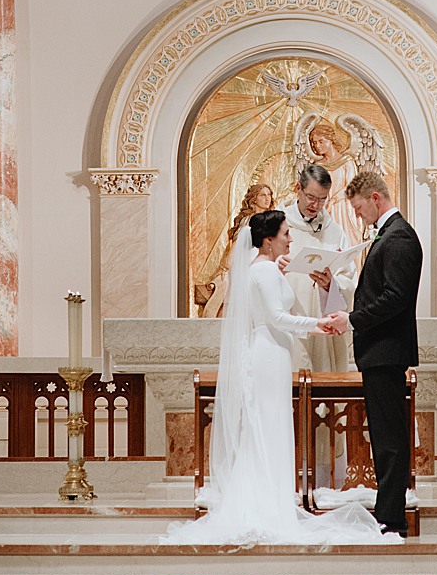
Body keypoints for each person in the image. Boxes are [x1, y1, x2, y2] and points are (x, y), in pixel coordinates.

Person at [164, 209, 391, 545]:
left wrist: (283, 277)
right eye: (286, 234)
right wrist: (318, 325)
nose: (291, 238)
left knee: (266, 427)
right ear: (268, 241)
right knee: (269, 427)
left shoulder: (260, 269)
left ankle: (265, 500)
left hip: (268, 353)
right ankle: (267, 507)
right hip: (269, 354)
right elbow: (277, 317)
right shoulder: (266, 270)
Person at [321, 170, 423, 538]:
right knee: (384, 437)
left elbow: (394, 299)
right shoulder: (390, 235)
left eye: (360, 207)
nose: (359, 215)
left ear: (376, 198)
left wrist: (350, 321)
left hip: (386, 351)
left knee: (390, 439)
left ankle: (392, 519)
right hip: (380, 352)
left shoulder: (398, 238)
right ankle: (388, 513)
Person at [282, 164, 357, 488]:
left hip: (324, 332)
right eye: (310, 197)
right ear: (298, 190)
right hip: (293, 331)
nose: (315, 205)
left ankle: (325, 482)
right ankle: (290, 477)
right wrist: (279, 267)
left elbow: (348, 276)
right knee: (293, 400)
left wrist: (330, 283)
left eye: (322, 200)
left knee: (326, 406)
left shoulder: (335, 230)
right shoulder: (279, 224)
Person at [196, 182, 272, 319]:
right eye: (263, 195)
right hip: (246, 265)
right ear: (254, 199)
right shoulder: (250, 220)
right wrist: (225, 267)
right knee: (240, 306)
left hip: (260, 264)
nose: (268, 198)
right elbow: (238, 243)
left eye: (269, 195)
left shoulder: (268, 219)